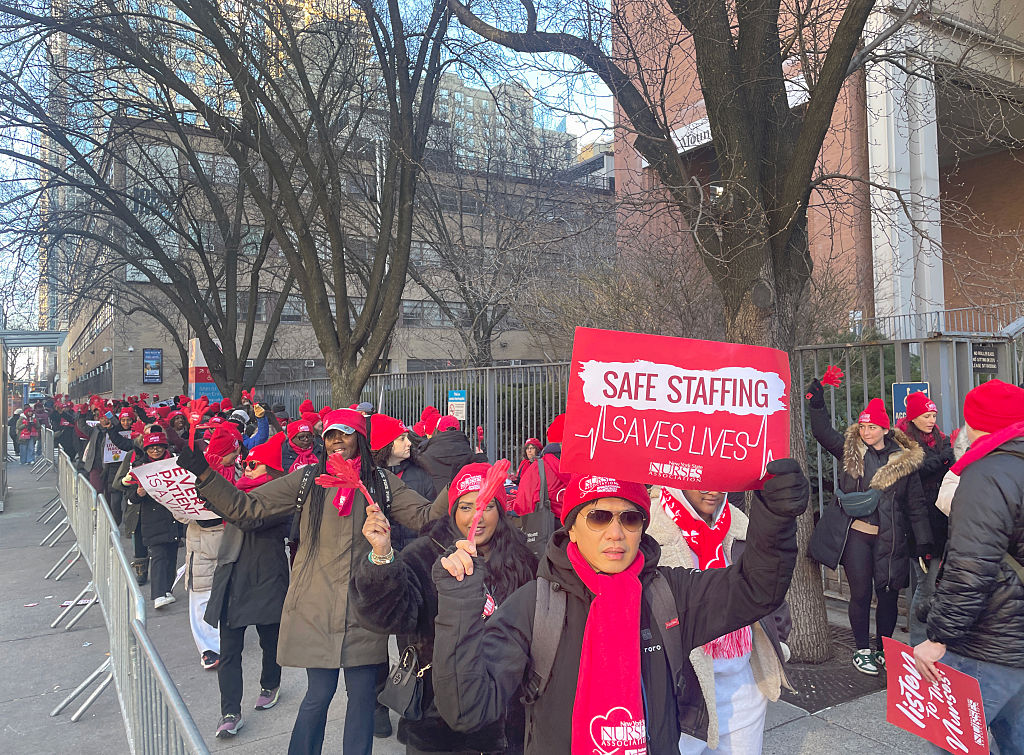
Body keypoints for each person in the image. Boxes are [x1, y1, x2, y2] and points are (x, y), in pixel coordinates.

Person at [430, 461, 808, 754]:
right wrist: (460, 604)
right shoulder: (535, 605)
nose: (616, 533)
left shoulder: (666, 593)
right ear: (572, 528)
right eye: (598, 516)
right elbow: (468, 708)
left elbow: (755, 590)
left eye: (629, 518)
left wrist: (774, 518)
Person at [176, 408, 443, 755]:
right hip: (316, 609)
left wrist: (463, 488)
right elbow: (248, 507)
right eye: (330, 434)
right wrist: (205, 473)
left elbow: (425, 516)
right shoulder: (307, 482)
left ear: (360, 439)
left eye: (345, 434)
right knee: (317, 696)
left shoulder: (381, 484)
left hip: (366, 610)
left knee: (362, 699)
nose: (336, 441)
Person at [351, 463, 538, 754]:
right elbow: (386, 617)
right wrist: (382, 556)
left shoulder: (523, 559)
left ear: (500, 511)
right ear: (452, 511)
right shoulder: (423, 555)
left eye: (487, 505)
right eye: (465, 507)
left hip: (509, 719)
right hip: (439, 723)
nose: (476, 516)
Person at [915, 379, 1024, 754]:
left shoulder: (986, 475)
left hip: (987, 643)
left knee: (950, 744)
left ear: (977, 425)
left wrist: (937, 638)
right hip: (1016, 643)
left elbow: (969, 569)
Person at [650, 488, 792, 754]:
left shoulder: (739, 522)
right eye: (702, 478)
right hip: (683, 699)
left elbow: (770, 587)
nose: (712, 489)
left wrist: (777, 640)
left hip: (743, 689)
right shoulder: (649, 527)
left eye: (720, 478)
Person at [806, 385, 932, 675]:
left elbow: (915, 505)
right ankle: (862, 648)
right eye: (863, 426)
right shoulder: (851, 452)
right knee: (860, 593)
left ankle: (884, 648)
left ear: (885, 429)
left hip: (891, 539)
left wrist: (924, 542)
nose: (866, 432)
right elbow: (823, 433)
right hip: (857, 538)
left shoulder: (904, 460)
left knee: (887, 594)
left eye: (872, 427)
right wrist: (816, 404)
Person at [206, 438, 291, 738]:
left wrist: (219, 496)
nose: (247, 468)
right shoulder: (236, 492)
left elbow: (250, 518)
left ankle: (271, 682)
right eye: (247, 462)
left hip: (266, 579)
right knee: (229, 651)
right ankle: (230, 711)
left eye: (254, 464)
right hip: (232, 578)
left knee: (271, 640)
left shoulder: (281, 498)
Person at [896, 391, 955, 644]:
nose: (931, 420)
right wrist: (942, 459)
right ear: (913, 417)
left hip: (942, 522)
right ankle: (918, 642)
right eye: (925, 415)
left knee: (940, 584)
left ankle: (936, 640)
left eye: (933, 415)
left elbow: (949, 463)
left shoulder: (940, 440)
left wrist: (941, 459)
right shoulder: (903, 442)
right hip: (917, 525)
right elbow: (917, 469)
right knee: (926, 584)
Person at [124, 430, 181, 608]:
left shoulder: (176, 462)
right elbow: (129, 497)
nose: (155, 451)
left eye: (159, 447)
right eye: (151, 448)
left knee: (171, 555)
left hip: (173, 515)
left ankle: (167, 590)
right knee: (158, 554)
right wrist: (138, 493)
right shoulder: (138, 467)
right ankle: (157, 594)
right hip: (151, 517)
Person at [370, 413, 437, 551]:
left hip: (415, 556)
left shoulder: (421, 474)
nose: (409, 443)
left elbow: (432, 518)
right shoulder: (370, 478)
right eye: (401, 439)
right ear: (386, 444)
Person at [512, 415, 570, 520]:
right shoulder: (585, 466)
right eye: (527, 448)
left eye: (532, 448)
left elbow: (522, 503)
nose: (529, 451)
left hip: (550, 524)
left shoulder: (538, 467)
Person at [418, 415, 487, 493]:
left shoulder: (424, 453)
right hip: (459, 500)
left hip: (433, 501)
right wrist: (480, 458)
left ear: (436, 430)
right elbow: (481, 478)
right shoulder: (469, 454)